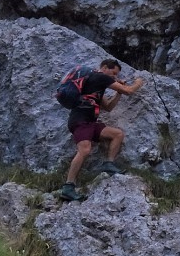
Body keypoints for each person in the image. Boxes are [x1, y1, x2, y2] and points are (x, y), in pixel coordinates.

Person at [59, 59, 145, 202]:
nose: (114, 77)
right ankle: (68, 187)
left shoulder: (97, 85)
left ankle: (108, 164)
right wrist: (137, 83)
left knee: (117, 134)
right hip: (80, 120)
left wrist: (118, 93)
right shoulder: (100, 77)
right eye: (113, 73)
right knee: (85, 150)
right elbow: (129, 91)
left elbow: (108, 107)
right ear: (105, 68)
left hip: (91, 123)